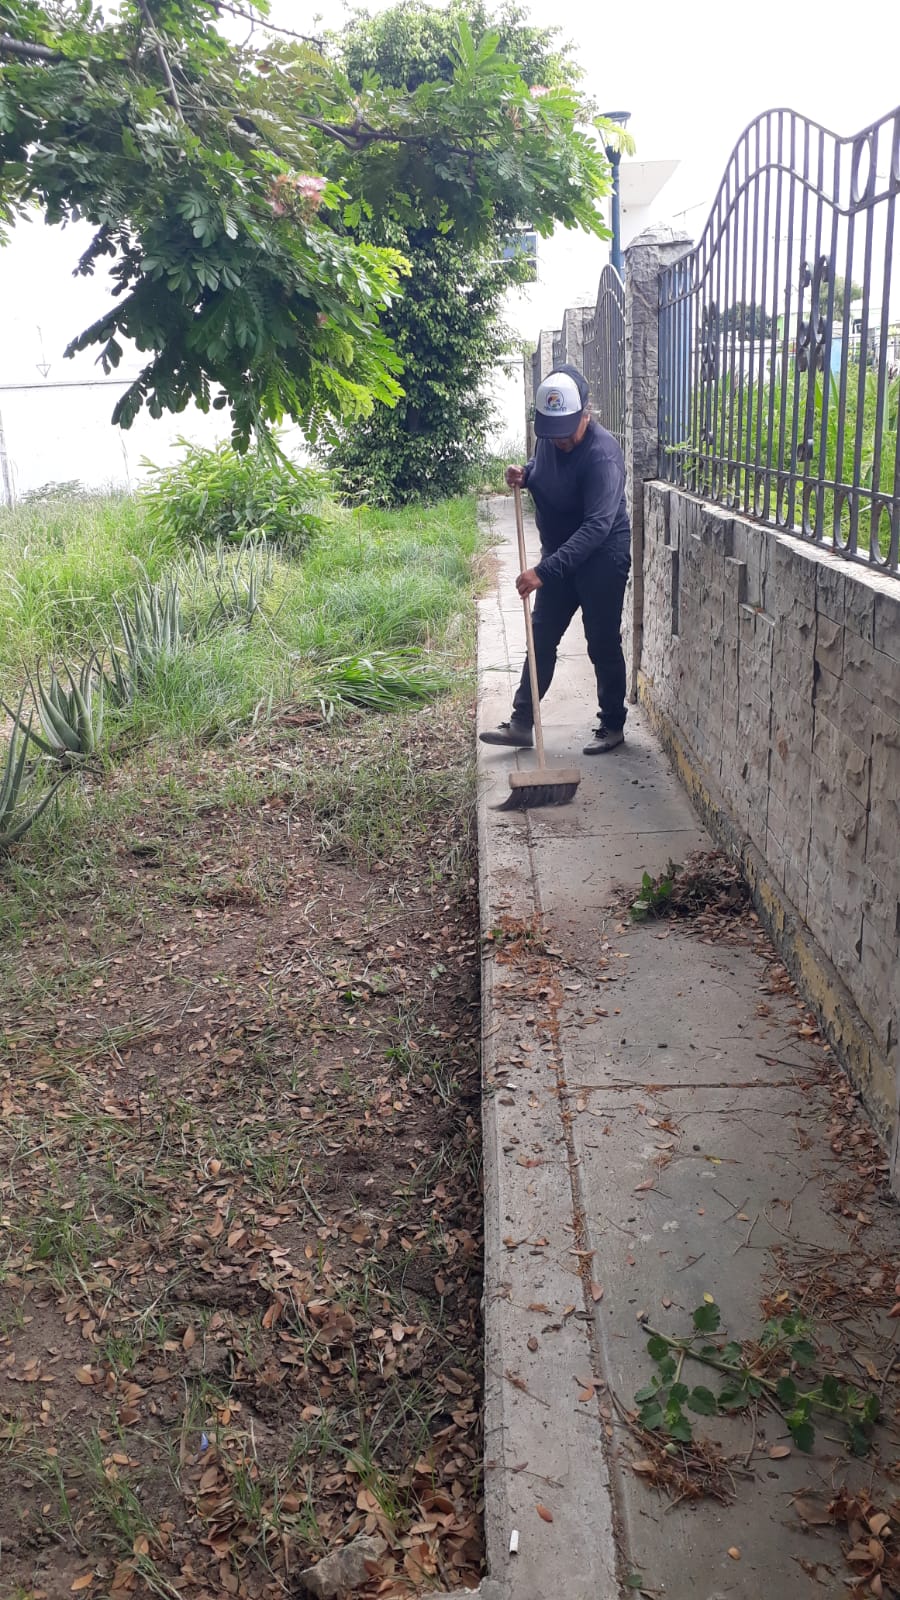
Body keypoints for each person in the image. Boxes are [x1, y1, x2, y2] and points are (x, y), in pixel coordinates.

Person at [480, 363, 631, 756]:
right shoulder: (550, 438)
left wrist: (543, 572)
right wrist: (525, 474)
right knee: (541, 636)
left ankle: (613, 723)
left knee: (601, 641)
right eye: (553, 432)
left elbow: (596, 528)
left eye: (567, 432)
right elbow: (545, 470)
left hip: (601, 558)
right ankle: (521, 723)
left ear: (585, 414)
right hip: (560, 556)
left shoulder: (603, 456)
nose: (560, 440)